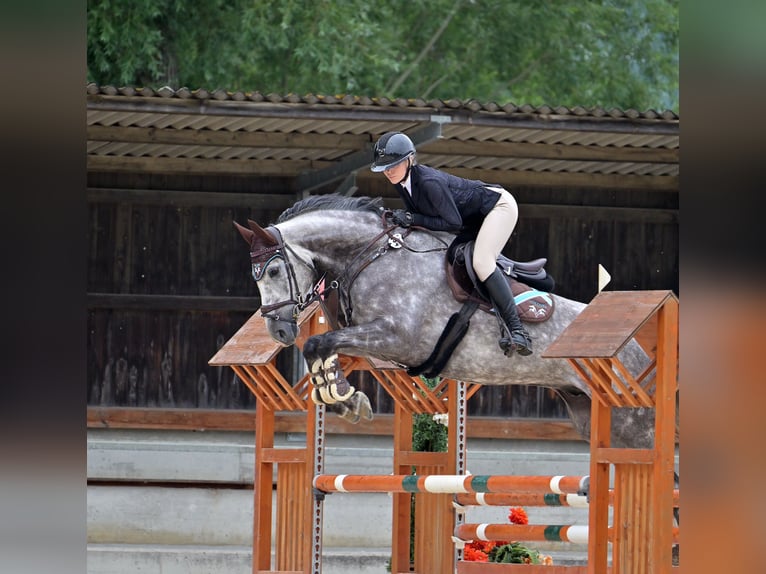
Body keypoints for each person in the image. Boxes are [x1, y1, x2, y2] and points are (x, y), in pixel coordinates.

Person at [371, 131, 532, 356]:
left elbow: (451, 222)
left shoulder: (428, 182)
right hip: (473, 219)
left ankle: (518, 331)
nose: (388, 171)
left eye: (393, 165)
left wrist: (413, 219)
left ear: (409, 160)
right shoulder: (402, 182)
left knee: (482, 263)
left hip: (498, 208)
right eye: (384, 168)